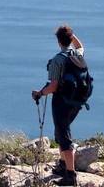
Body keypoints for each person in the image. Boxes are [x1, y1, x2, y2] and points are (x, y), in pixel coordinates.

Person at [32, 25, 87, 186]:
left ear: (58, 41)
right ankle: (63, 165)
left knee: (64, 138)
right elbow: (81, 46)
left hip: (62, 102)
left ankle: (70, 176)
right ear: (70, 39)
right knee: (61, 132)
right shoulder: (77, 54)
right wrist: (72, 35)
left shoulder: (58, 60)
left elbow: (53, 86)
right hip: (77, 101)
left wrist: (39, 93)